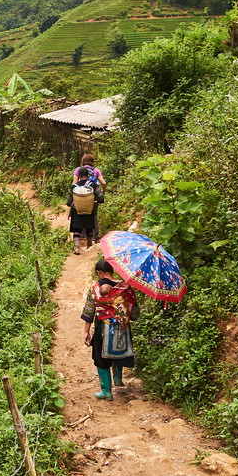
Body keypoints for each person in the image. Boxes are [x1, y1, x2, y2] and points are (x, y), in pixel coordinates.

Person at [81, 259, 139, 401]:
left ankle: (106, 392)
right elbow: (135, 312)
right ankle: (118, 379)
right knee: (119, 352)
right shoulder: (125, 287)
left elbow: (89, 311)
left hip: (103, 327)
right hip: (123, 328)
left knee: (101, 358)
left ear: (99, 273)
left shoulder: (95, 287)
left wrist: (86, 332)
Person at [72, 154, 106, 245]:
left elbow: (74, 183)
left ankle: (82, 237)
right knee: (93, 216)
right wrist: (102, 192)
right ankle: (94, 237)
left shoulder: (78, 170)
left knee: (79, 215)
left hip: (79, 196)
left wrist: (74, 195)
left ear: (82, 161)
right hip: (92, 197)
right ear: (92, 161)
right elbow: (104, 182)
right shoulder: (95, 170)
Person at [67, 167, 99, 254]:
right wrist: (96, 201)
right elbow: (101, 197)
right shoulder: (94, 186)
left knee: (77, 229)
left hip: (77, 211)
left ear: (79, 176)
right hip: (89, 210)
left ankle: (76, 248)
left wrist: (72, 203)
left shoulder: (74, 187)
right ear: (88, 175)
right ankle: (89, 246)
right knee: (89, 228)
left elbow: (69, 202)